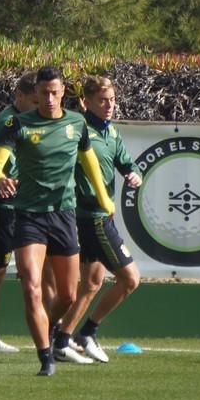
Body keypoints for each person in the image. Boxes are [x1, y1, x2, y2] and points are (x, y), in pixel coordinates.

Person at [0, 66, 114, 376]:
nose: (50, 98)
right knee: (31, 287)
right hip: (29, 216)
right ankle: (45, 356)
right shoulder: (19, 124)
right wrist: (0, 178)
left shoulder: (76, 124)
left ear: (63, 93)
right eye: (44, 93)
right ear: (35, 94)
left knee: (69, 295)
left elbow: (90, 162)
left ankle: (51, 330)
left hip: (64, 215)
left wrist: (105, 199)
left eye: (55, 93)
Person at [55, 76, 142, 363]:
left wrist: (133, 173)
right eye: (103, 100)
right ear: (87, 102)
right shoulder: (78, 129)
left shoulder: (111, 132)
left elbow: (126, 162)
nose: (109, 106)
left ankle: (65, 338)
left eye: (113, 100)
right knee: (130, 279)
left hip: (103, 215)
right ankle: (87, 332)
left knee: (92, 282)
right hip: (91, 217)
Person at [0, 71, 39, 353]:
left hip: (26, 210)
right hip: (3, 210)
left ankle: (51, 333)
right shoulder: (9, 124)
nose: (42, 106)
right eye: (35, 101)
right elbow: (1, 171)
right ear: (20, 97)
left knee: (36, 272)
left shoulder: (33, 122)